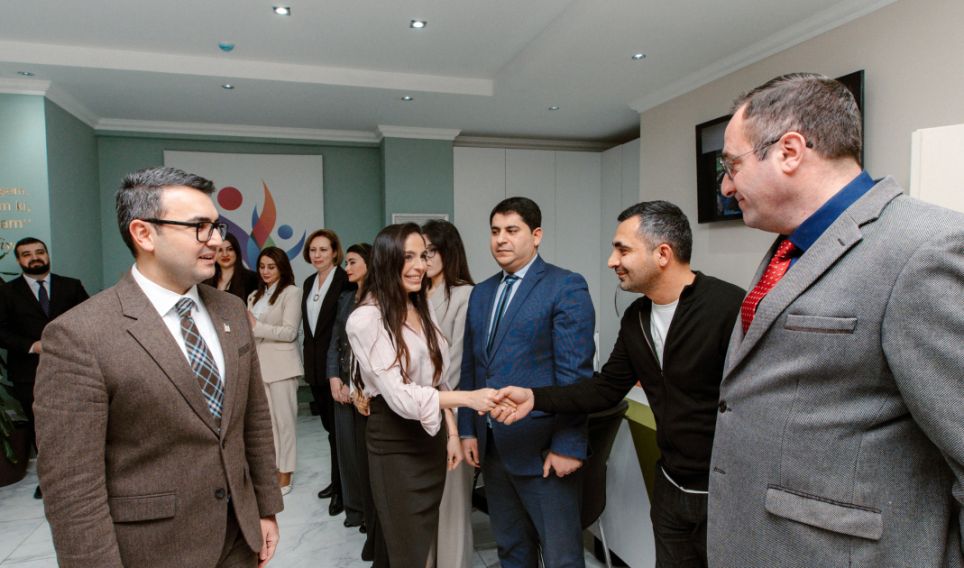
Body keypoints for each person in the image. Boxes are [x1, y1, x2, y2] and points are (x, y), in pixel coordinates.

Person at [706, 73, 963, 566]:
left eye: (732, 165)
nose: (726, 185)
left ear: (789, 151)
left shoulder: (925, 248)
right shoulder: (789, 247)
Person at [33, 166, 283, 568]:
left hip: (239, 535)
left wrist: (266, 507)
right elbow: (72, 486)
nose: (216, 240)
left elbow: (253, 417)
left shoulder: (232, 311)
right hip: (154, 550)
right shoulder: (79, 335)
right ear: (144, 234)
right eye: (199, 227)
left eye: (216, 226)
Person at [491, 201, 746, 567]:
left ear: (662, 254)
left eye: (622, 250)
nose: (612, 261)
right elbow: (606, 389)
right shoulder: (636, 317)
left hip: (726, 492)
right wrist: (534, 397)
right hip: (670, 488)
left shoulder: (729, 307)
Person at [346, 223, 498, 567]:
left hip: (432, 440)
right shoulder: (366, 319)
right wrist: (470, 399)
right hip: (395, 444)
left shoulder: (421, 307)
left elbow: (439, 379)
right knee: (407, 549)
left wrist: (452, 433)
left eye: (424, 256)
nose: (420, 266)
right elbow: (401, 397)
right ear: (387, 261)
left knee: (424, 540)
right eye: (409, 257)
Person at [458, 197, 595, 568]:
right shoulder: (481, 292)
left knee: (562, 557)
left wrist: (568, 445)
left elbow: (575, 376)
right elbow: (472, 366)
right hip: (493, 448)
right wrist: (468, 429)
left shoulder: (564, 286)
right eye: (495, 231)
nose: (501, 239)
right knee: (511, 549)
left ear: (536, 236)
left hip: (544, 450)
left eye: (512, 230)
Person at [0, 237, 89, 499]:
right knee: (41, 427)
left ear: (47, 255)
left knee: (78, 423)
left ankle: (83, 477)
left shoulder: (71, 286)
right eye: (27, 254)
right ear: (19, 260)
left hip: (73, 367)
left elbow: (90, 321)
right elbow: (1, 331)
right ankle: (50, 480)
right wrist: (32, 346)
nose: (35, 257)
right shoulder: (7, 292)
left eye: (39, 252)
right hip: (28, 372)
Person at [326, 243, 389, 564]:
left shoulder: (383, 298)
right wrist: (334, 378)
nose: (347, 268)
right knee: (348, 452)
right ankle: (355, 510)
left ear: (369, 263)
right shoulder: (345, 299)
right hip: (343, 384)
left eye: (352, 262)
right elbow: (335, 341)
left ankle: (372, 518)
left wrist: (359, 386)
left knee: (368, 457)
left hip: (368, 390)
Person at [421, 219, 476, 568]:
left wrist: (430, 398)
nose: (424, 259)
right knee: (425, 503)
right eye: (420, 252)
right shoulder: (415, 292)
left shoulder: (464, 295)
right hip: (416, 409)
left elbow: (456, 362)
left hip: (451, 408)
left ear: (448, 251)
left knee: (452, 506)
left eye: (431, 251)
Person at [300, 228, 354, 515]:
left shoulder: (345, 280)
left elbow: (343, 330)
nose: (317, 255)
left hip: (336, 370)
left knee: (340, 432)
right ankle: (337, 483)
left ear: (335, 252)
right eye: (313, 250)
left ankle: (344, 490)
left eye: (323, 249)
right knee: (329, 431)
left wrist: (342, 376)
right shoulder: (309, 282)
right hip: (315, 368)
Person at [247, 246, 303, 496]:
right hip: (260, 366)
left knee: (285, 422)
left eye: (271, 266)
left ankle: (286, 471)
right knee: (268, 424)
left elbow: (290, 332)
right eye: (262, 267)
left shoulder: (292, 293)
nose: (266, 271)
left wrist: (256, 326)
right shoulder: (253, 296)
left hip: (283, 366)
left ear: (282, 268)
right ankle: (275, 467)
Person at [205, 232, 258, 302]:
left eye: (229, 249)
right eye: (220, 250)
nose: (225, 254)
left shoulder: (253, 279)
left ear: (236, 252)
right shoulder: (205, 281)